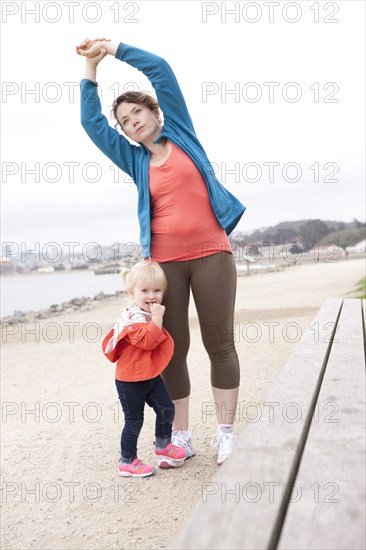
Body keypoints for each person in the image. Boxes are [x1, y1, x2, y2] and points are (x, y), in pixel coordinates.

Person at [77, 37, 246, 464]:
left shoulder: (182, 132)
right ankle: (181, 435)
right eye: (125, 120)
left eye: (138, 112)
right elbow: (91, 124)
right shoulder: (133, 159)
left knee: (219, 342)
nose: (132, 122)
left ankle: (226, 433)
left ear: (154, 112)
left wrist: (112, 48)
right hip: (164, 264)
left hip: (212, 254)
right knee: (173, 346)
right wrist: (90, 70)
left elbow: (161, 70)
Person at [102, 260, 186, 477]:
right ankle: (127, 461)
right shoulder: (132, 318)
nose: (152, 296)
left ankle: (163, 445)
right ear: (132, 292)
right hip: (129, 381)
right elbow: (148, 341)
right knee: (134, 421)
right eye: (145, 291)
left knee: (166, 408)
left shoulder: (146, 313)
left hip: (149, 374)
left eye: (157, 290)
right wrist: (158, 317)